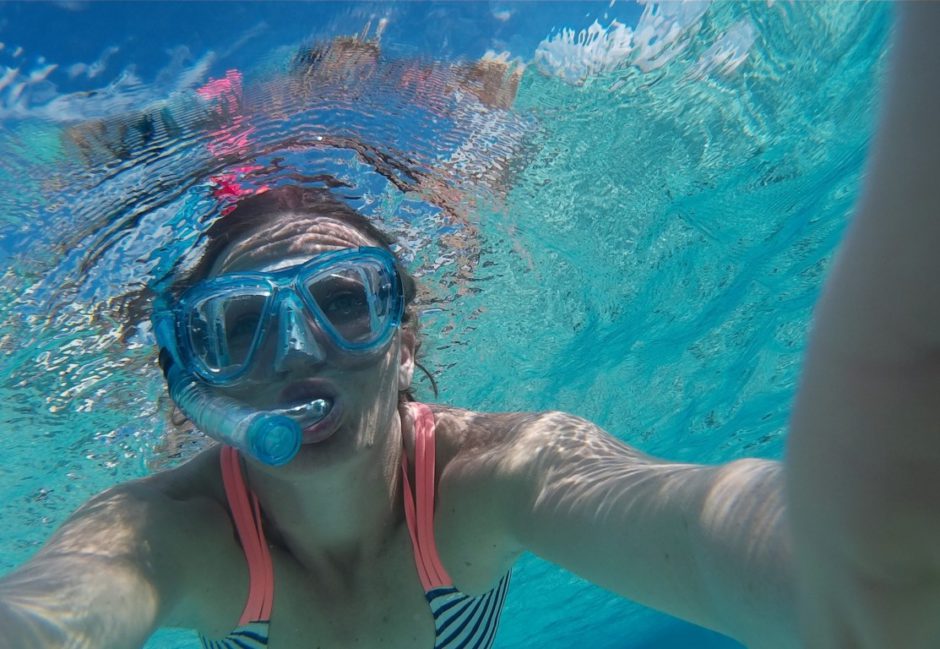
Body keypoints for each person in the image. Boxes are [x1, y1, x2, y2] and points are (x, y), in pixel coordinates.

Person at [0, 5, 937, 649]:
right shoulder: (170, 535)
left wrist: (847, 563)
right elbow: (52, 609)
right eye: (236, 326)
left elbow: (695, 534)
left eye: (341, 299)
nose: (295, 353)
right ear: (193, 381)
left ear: (405, 336)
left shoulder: (491, 479)